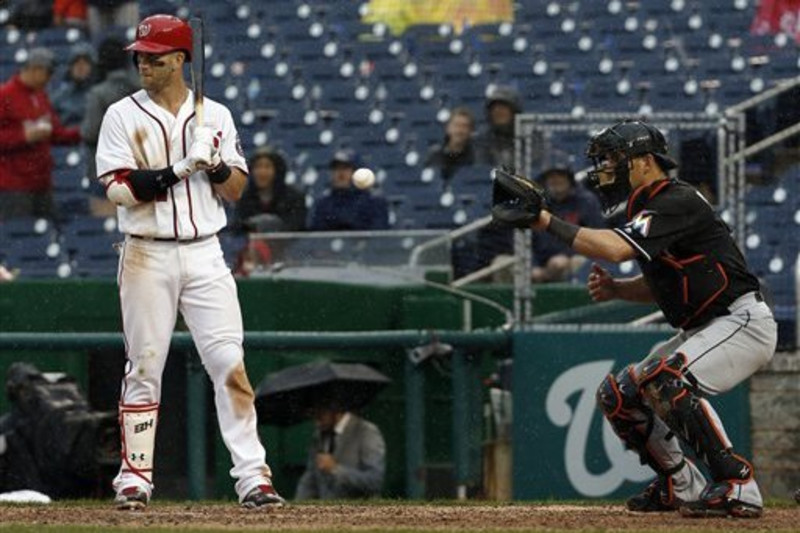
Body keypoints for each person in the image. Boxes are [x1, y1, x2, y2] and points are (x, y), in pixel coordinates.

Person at [491, 119, 777, 518]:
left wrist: (544, 220)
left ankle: (738, 483)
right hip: (710, 326)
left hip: (743, 322)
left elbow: (614, 250)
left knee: (665, 380)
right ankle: (681, 485)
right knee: (620, 394)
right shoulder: (646, 207)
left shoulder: (674, 198)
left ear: (644, 161)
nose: (604, 168)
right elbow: (665, 283)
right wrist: (619, 290)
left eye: (612, 159)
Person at [94, 14, 284, 510]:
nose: (144, 64)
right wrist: (179, 169)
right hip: (146, 253)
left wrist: (214, 163)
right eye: (140, 56)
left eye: (154, 57)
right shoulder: (121, 115)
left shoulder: (214, 115)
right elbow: (118, 190)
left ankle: (253, 477)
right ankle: (134, 478)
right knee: (145, 367)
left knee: (229, 364)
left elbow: (237, 190)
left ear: (180, 60)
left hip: (205, 251)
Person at [0, 48, 81, 220]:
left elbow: (56, 133)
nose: (49, 79)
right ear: (35, 69)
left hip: (41, 181)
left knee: (48, 234)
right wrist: (24, 137)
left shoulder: (40, 95)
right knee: (20, 237)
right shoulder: (5, 95)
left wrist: (84, 132)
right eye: (48, 73)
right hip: (14, 186)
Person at [81, 36, 139, 217]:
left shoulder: (98, 94)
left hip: (106, 169)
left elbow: (90, 133)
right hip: (139, 167)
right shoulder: (140, 91)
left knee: (106, 232)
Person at [530, 167, 605, 283]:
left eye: (560, 176)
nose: (556, 180)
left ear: (569, 178)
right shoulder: (537, 204)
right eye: (552, 177)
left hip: (574, 258)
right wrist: (533, 266)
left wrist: (567, 256)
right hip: (542, 262)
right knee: (513, 266)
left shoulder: (586, 201)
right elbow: (526, 240)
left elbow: (597, 239)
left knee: (579, 262)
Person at [295, 407, 386, 500]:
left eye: (319, 415)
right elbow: (310, 479)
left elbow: (374, 481)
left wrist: (336, 469)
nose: (316, 422)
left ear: (335, 407)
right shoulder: (319, 435)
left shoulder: (367, 432)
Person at [309, 149, 389, 231]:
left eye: (345, 168)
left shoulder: (373, 201)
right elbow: (317, 236)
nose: (340, 173)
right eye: (336, 169)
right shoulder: (323, 203)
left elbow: (378, 236)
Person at [233, 147, 307, 233]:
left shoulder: (294, 198)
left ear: (277, 171)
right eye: (258, 167)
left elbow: (295, 228)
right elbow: (237, 229)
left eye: (267, 167)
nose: (262, 172)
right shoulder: (244, 198)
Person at [424, 107, 477, 182]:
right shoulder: (434, 155)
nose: (460, 130)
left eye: (464, 126)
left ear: (471, 131)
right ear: (448, 128)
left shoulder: (477, 156)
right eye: (456, 125)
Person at [474, 85, 521, 168]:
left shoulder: (529, 138)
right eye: (495, 109)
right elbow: (480, 169)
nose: (498, 112)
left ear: (514, 111)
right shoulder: (482, 141)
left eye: (503, 108)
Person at [50, 42, 96, 127]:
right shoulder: (59, 96)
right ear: (70, 67)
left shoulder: (98, 95)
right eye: (76, 62)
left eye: (85, 63)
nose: (80, 67)